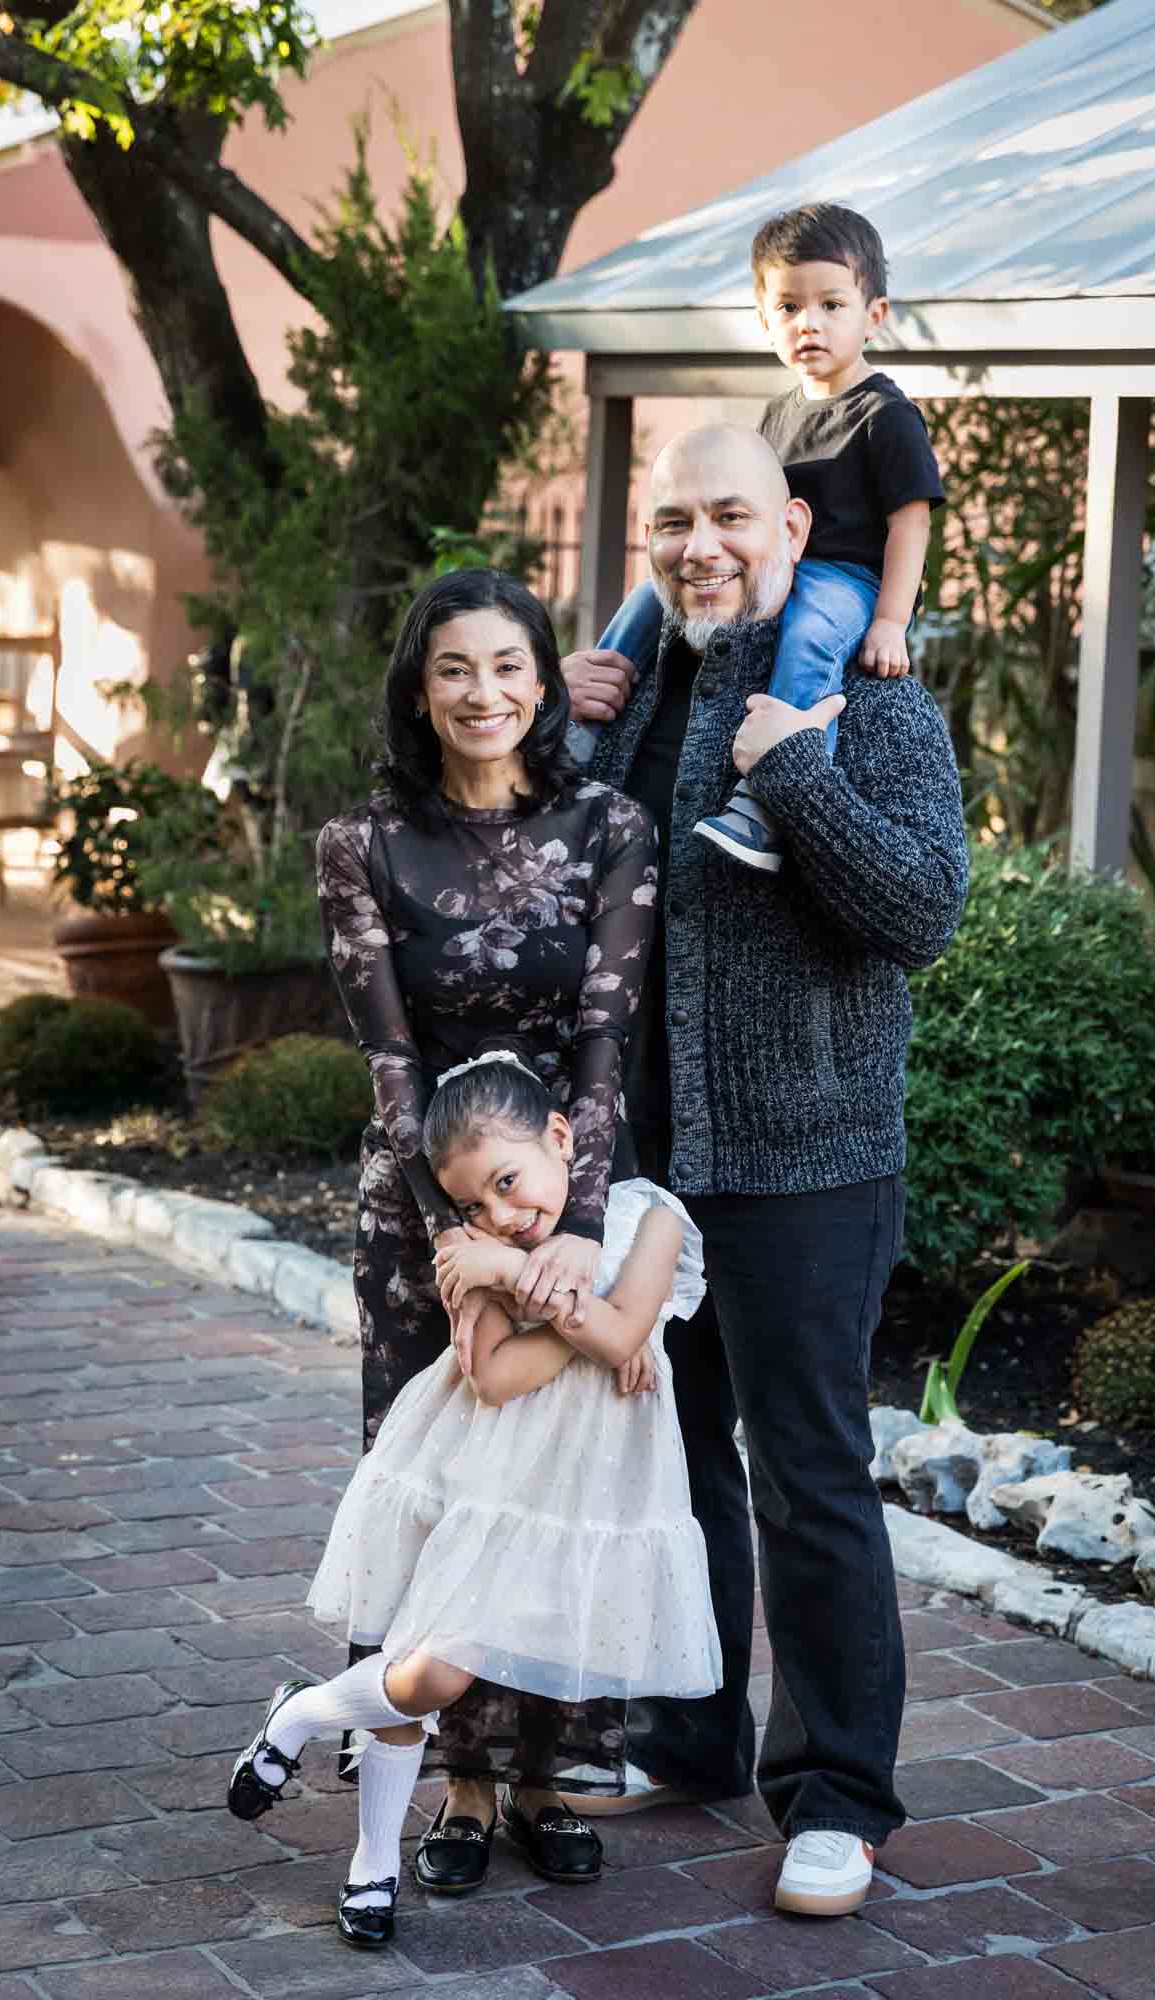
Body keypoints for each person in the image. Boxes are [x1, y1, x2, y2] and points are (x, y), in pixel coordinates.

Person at [560, 422, 969, 1918]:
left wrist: (795, 776)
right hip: (648, 1164)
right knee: (665, 1465)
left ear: (794, 529)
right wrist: (553, 728)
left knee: (807, 1480)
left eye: (729, 515)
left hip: (809, 1157)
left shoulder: (867, 697)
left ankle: (838, 1796)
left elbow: (922, 910)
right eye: (673, 519)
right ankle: (690, 1736)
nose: (698, 545)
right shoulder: (623, 696)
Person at [314, 570, 657, 1892]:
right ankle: (453, 1775)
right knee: (441, 1490)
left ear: (542, 675)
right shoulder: (364, 840)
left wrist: (563, 1237)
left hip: (568, 1213)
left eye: (507, 665)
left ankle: (541, 1771)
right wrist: (463, 1237)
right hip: (423, 1223)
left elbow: (603, 1045)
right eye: (453, 668)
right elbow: (389, 1057)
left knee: (555, 1483)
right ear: (419, 686)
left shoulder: (610, 825)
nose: (483, 693)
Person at [227, 1051, 717, 1950]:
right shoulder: (472, 1257)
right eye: (473, 1205)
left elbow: (624, 1327)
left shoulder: (649, 1219)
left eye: (508, 1180)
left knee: (517, 1667)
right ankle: (362, 1842)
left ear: (559, 1138)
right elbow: (495, 1375)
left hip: (582, 1498)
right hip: (482, 1475)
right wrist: (574, 1320)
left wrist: (536, 1290)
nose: (500, 1214)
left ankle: (305, 1715)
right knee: (431, 1673)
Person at [585, 202, 944, 876]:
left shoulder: (884, 415)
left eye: (831, 304)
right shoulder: (779, 413)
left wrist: (891, 622)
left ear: (874, 314)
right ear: (763, 318)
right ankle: (577, 732)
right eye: (787, 307)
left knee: (807, 634)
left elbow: (910, 520)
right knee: (642, 602)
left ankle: (764, 799)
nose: (808, 322)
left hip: (846, 579)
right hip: (788, 570)